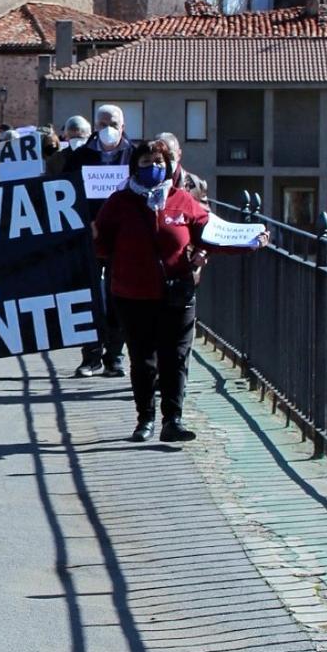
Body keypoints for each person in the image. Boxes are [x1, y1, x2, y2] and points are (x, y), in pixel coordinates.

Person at [93, 139, 267, 445]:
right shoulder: (118, 203)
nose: (155, 168)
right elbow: (100, 246)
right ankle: (145, 418)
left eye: (160, 163)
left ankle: (172, 419)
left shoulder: (183, 200)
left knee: (176, 358)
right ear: (135, 168)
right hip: (133, 295)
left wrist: (245, 242)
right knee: (143, 360)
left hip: (177, 293)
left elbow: (209, 233)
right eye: (147, 163)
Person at [55, 103, 134, 379]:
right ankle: (90, 356)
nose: (107, 129)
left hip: (121, 240)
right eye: (101, 123)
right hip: (88, 236)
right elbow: (65, 192)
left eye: (112, 123)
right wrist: (84, 220)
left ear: (123, 127)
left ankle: (114, 356)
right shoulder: (80, 157)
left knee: (117, 297)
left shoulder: (133, 156)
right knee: (88, 297)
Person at [154, 131, 208, 203]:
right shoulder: (145, 182)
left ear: (179, 155)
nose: (165, 161)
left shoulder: (195, 184)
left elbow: (204, 212)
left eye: (169, 156)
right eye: (159, 158)